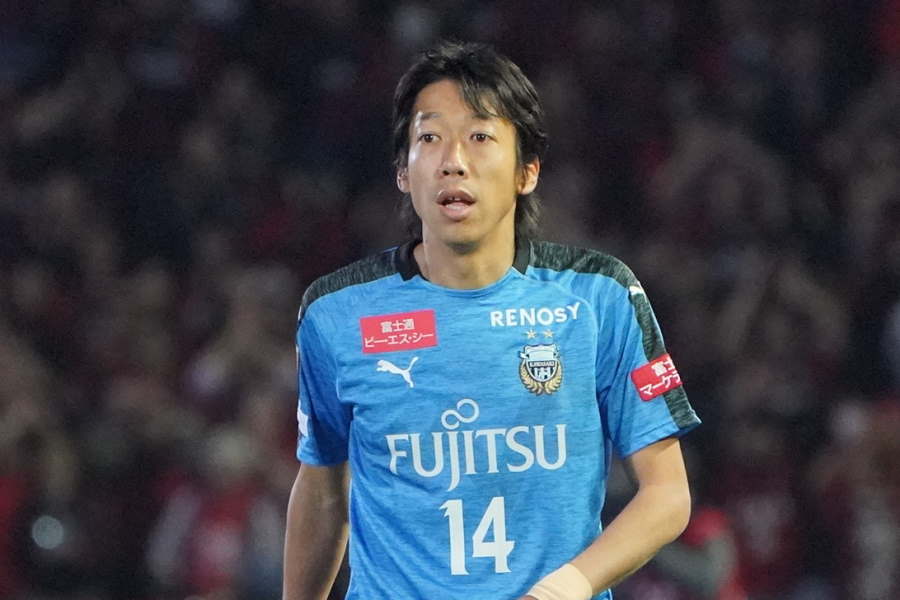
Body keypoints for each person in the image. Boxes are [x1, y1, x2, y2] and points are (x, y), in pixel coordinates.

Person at [283, 40, 700, 600]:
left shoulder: (600, 297)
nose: (453, 160)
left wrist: (565, 588)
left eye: (480, 137)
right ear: (403, 172)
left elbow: (667, 495)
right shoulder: (335, 314)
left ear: (527, 171)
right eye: (429, 138)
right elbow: (323, 488)